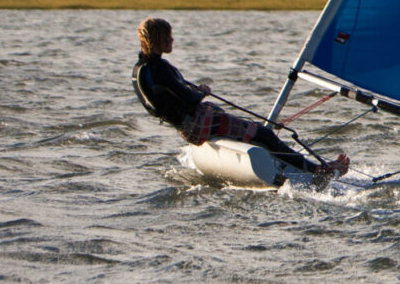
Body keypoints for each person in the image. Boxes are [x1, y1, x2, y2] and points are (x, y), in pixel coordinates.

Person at [132, 17, 347, 177]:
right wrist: (202, 91)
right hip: (196, 124)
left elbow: (167, 99)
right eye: (168, 36)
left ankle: (291, 165)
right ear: (158, 39)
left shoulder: (141, 68)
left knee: (253, 131)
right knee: (263, 134)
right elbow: (188, 98)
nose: (172, 39)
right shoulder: (159, 68)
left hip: (187, 128)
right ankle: (318, 170)